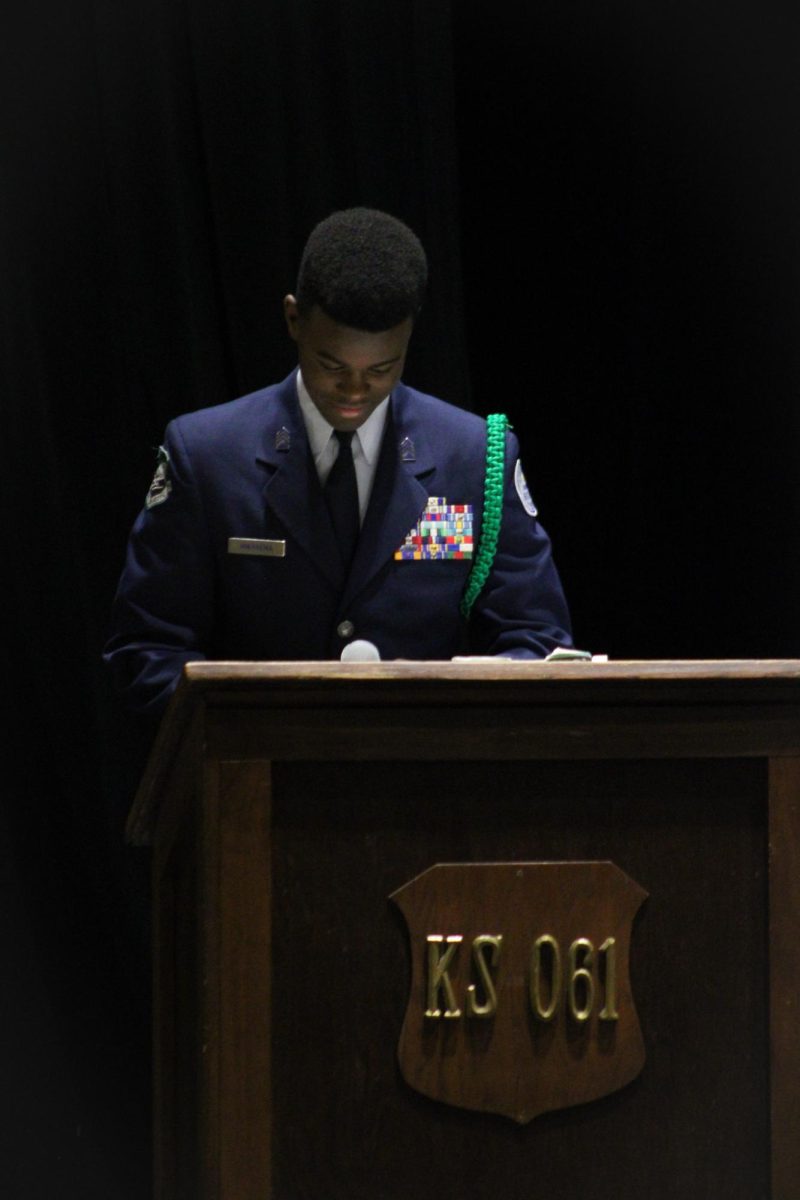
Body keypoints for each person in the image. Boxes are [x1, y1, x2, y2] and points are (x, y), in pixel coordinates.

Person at [104, 208, 572, 718]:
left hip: (427, 776)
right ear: (293, 320)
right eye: (332, 365)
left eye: (381, 368)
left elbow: (537, 640)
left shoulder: (475, 455)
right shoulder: (208, 454)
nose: (354, 390)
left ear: (409, 339)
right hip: (256, 776)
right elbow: (146, 650)